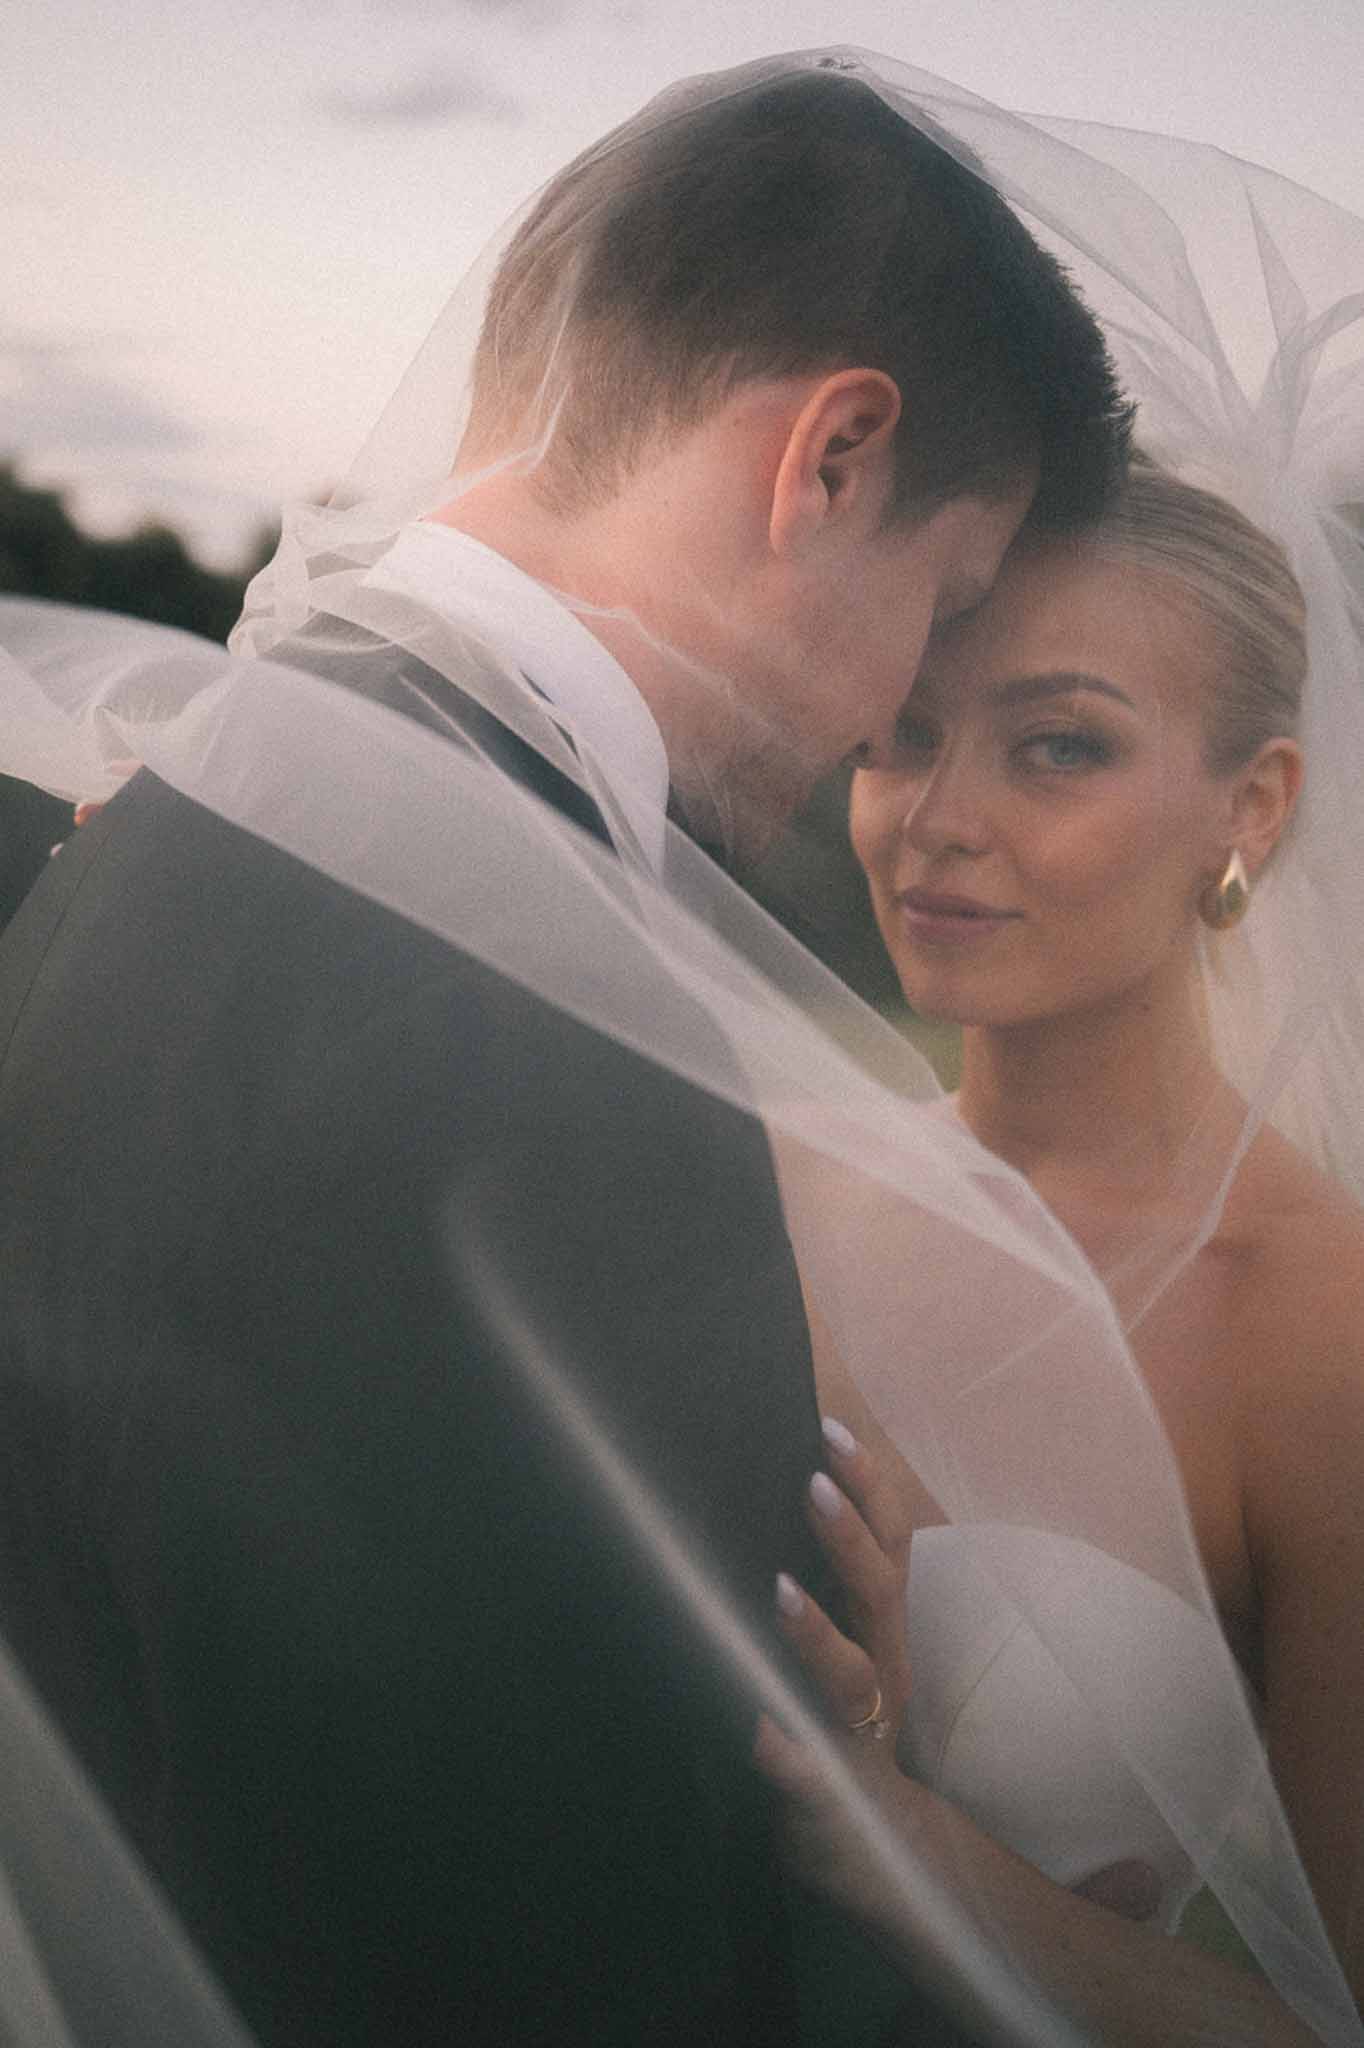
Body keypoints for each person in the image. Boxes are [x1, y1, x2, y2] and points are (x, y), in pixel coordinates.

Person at [0, 58, 1131, 2048]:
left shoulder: (134, 839)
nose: (891, 726)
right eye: (936, 608)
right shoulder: (577, 1047)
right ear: (834, 460)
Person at [756, 460, 1364, 2044]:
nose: (938, 822)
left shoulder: (1316, 1322)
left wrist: (895, 1840)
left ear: (1254, 806)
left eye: (1058, 747)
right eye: (906, 732)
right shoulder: (763, 1177)